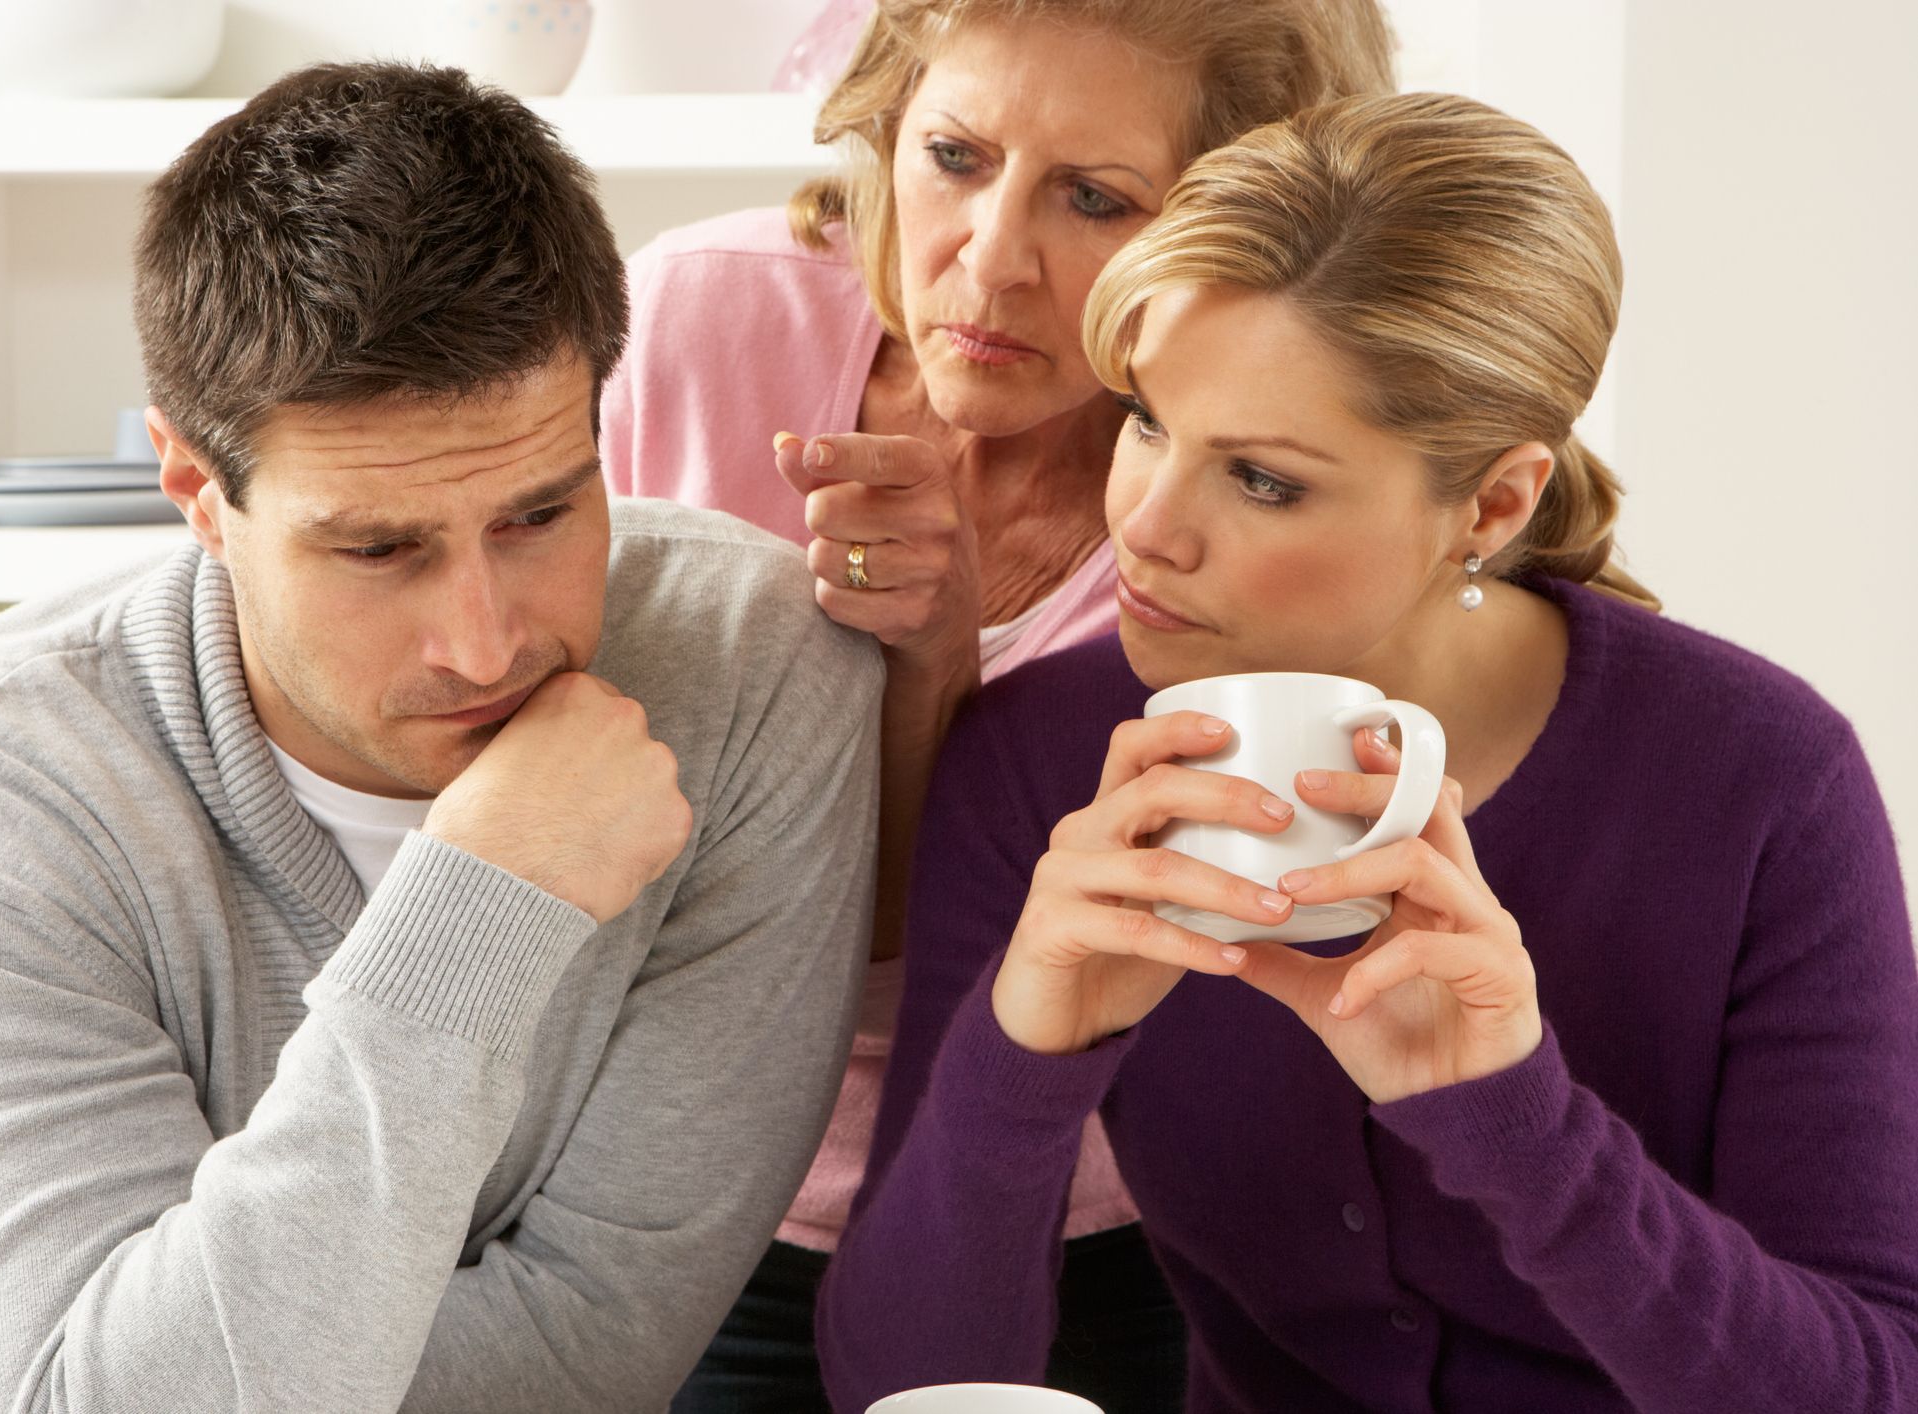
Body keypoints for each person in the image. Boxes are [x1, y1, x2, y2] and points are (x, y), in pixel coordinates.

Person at [0, 62, 884, 1414]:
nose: (486, 642)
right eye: (379, 547)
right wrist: (479, 903)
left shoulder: (756, 666)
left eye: (541, 514)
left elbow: (603, 1342)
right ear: (197, 489)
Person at [818, 91, 1918, 1412]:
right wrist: (1022, 1054)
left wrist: (1516, 1119)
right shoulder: (1040, 762)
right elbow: (896, 1378)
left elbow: (1868, 1386)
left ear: (1494, 503)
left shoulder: (1755, 782)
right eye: (1147, 422)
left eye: (1263, 478)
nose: (1145, 528)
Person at [602, 2, 1396, 1405]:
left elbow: (982, 988)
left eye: (1095, 198)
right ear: (885, 122)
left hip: (1084, 1228)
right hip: (673, 1201)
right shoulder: (694, 319)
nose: (991, 257)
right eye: (954, 155)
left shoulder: (1252, 482)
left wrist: (932, 669)